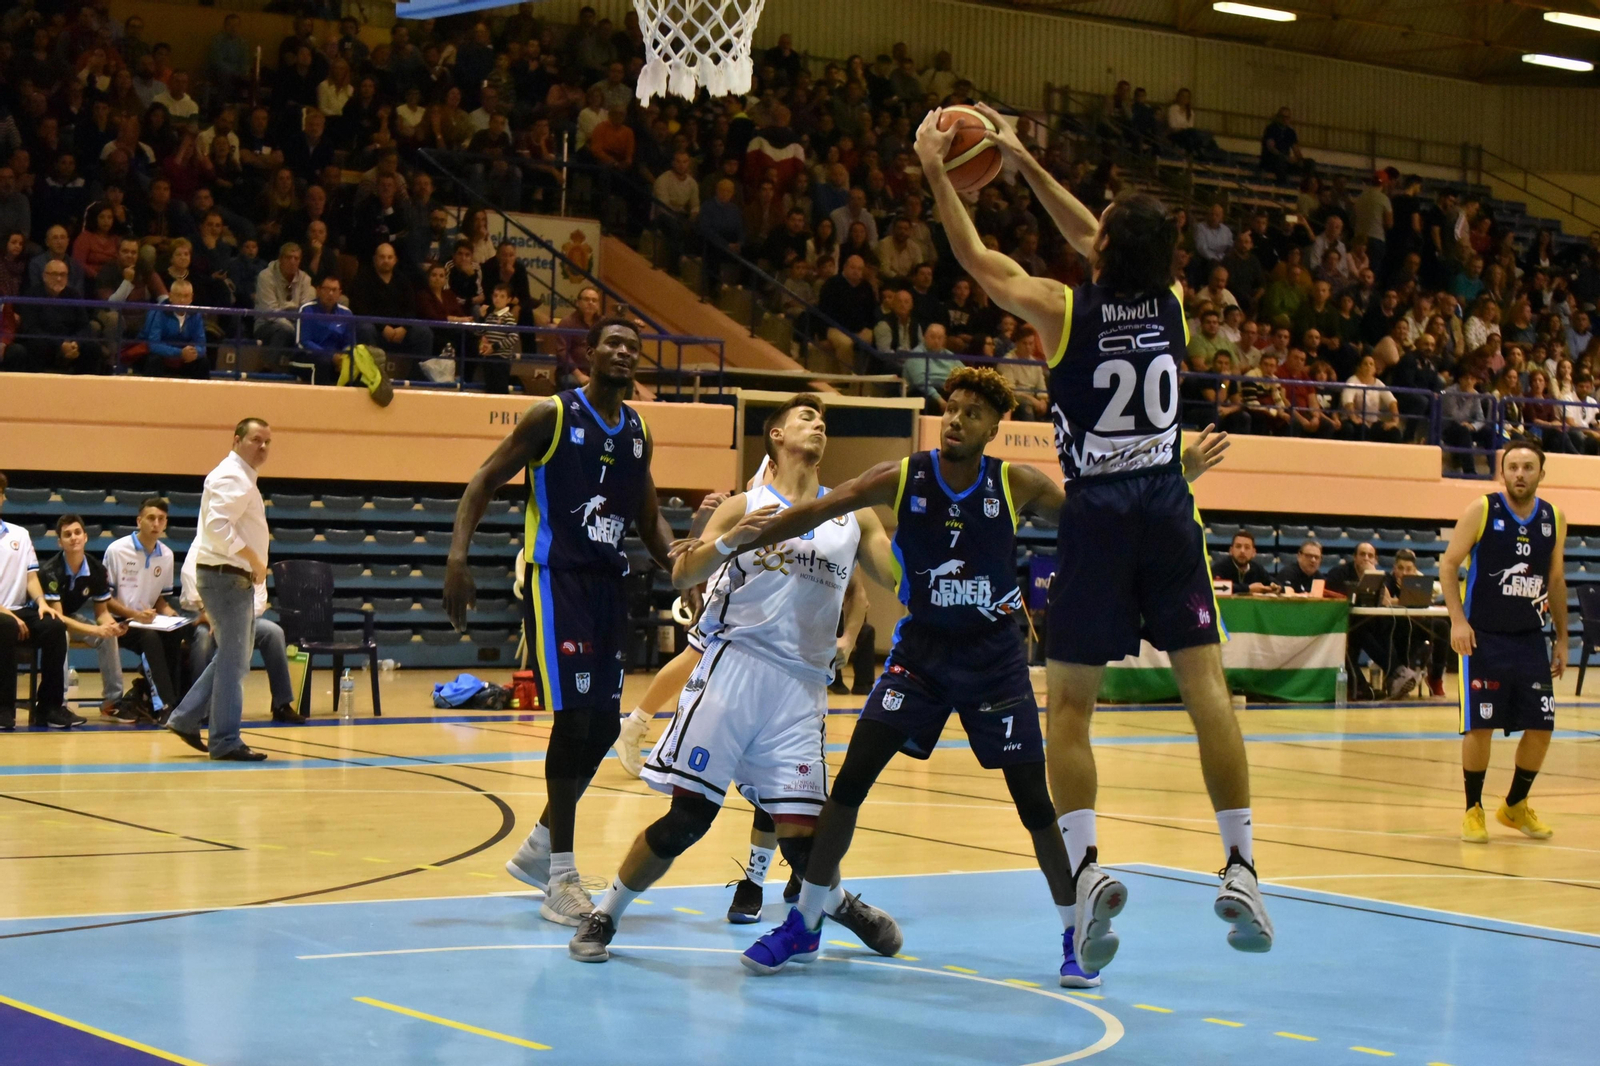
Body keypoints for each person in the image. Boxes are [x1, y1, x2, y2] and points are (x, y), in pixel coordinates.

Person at [718, 372, 1229, 985]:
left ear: (993, 428)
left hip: (994, 661)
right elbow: (821, 508)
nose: (955, 419)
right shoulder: (904, 475)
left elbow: (1103, 523)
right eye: (950, 409)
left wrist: (1176, 477)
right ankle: (804, 923)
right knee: (849, 784)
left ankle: (1075, 932)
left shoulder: (1014, 483)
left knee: (1036, 806)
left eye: (970, 413)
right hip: (922, 656)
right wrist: (733, 539)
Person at [915, 104, 1273, 972]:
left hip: (1098, 513)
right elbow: (1101, 235)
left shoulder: (1060, 309)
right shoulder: (1178, 305)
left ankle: (1083, 871)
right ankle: (1242, 865)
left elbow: (974, 259)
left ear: (1102, 251)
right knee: (1208, 691)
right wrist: (1023, 162)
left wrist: (938, 167)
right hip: (1165, 504)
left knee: (1070, 706)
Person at [564, 394, 901, 967]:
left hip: (802, 689)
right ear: (775, 435)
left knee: (800, 837)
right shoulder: (747, 504)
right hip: (733, 671)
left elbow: (892, 577)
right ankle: (606, 912)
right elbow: (682, 573)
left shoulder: (853, 515)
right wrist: (730, 538)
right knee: (687, 820)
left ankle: (836, 902)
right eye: (805, 417)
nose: (818, 424)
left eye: (823, 419)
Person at [444, 318, 676, 927]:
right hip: (557, 582)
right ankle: (561, 878)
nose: (624, 352)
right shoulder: (551, 415)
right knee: (573, 722)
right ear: (589, 354)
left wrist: (687, 567)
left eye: (633, 346)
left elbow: (649, 519)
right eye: (613, 343)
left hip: (608, 586)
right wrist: (457, 559)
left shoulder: (637, 431)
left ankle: (543, 843)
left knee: (603, 728)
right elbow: (482, 480)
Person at [1441, 441, 1566, 844]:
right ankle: (1473, 809)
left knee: (1542, 726)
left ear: (1541, 474)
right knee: (1481, 726)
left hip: (1531, 637)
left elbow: (1557, 580)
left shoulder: (1554, 517)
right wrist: (1458, 621)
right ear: (1502, 473)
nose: (1520, 473)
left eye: (1528, 467)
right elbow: (1447, 564)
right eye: (1513, 466)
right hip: (1483, 638)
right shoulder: (1482, 509)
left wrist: (1562, 638)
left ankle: (1515, 804)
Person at [164, 419, 273, 761]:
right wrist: (253, 557)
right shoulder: (232, 476)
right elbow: (216, 526)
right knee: (232, 661)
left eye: (268, 442)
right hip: (226, 577)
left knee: (233, 659)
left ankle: (185, 718)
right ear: (237, 439)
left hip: (230, 577)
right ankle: (225, 739)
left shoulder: (241, 477)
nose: (264, 447)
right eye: (257, 439)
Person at [178, 547, 301, 724]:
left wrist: (235, 619)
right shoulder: (201, 547)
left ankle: (281, 704)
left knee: (273, 633)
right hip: (205, 618)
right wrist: (212, 614)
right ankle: (202, 708)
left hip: (242, 618)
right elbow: (192, 590)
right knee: (203, 640)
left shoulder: (250, 551)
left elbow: (258, 601)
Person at [0, 477, 82, 731]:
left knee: (54, 626)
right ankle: (4, 709)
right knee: (5, 626)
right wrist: (8, 615)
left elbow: (31, 576)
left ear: (2, 496)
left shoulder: (19, 535)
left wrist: (41, 602)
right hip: (4, 617)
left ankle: (49, 707)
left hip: (17, 610)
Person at [104, 497, 192, 718]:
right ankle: (163, 705)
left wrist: (171, 614)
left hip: (149, 621)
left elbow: (160, 600)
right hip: (120, 621)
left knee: (176, 633)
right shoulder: (117, 550)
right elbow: (104, 599)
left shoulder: (167, 555)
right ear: (139, 521)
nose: (156, 524)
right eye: (151, 518)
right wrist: (135, 615)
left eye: (161, 519)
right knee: (149, 639)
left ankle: (173, 699)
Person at [38, 513, 129, 720]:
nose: (74, 537)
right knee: (61, 636)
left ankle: (111, 702)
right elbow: (58, 618)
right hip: (47, 620)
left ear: (85, 537)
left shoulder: (96, 569)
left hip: (71, 616)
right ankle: (58, 703)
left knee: (109, 637)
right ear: (59, 542)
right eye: (67, 534)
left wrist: (110, 626)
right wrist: (95, 629)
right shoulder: (50, 571)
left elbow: (102, 612)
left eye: (78, 532)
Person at [1223, 530, 1278, 595]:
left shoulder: (1257, 568)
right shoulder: (1220, 567)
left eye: (1247, 547)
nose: (1242, 551)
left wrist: (1276, 587)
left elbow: (1275, 583)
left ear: (1253, 552)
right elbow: (1216, 587)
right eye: (1238, 546)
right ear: (1231, 550)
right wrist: (1248, 588)